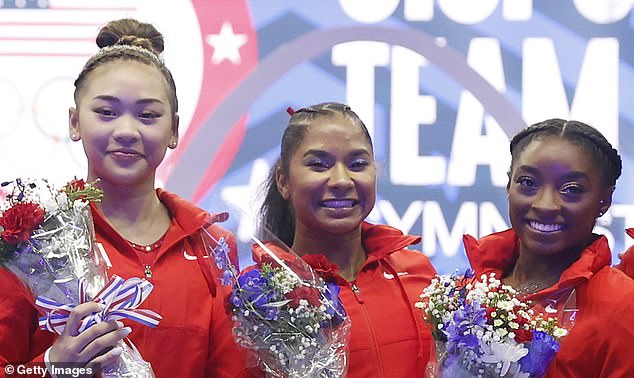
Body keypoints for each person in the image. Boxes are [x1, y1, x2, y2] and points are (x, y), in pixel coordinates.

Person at [1, 18, 250, 377]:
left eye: (148, 115)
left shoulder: (213, 247)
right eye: (106, 112)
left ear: (174, 130)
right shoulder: (30, 241)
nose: (127, 131)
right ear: (74, 122)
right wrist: (54, 367)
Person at [256, 102, 437, 377]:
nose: (341, 180)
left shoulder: (417, 271)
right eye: (318, 165)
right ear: (283, 181)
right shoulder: (260, 298)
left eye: (358, 164)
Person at [462, 119, 634, 377]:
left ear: (604, 200)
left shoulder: (622, 305)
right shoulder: (471, 290)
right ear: (509, 185)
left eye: (571, 189)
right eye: (528, 182)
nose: (545, 205)